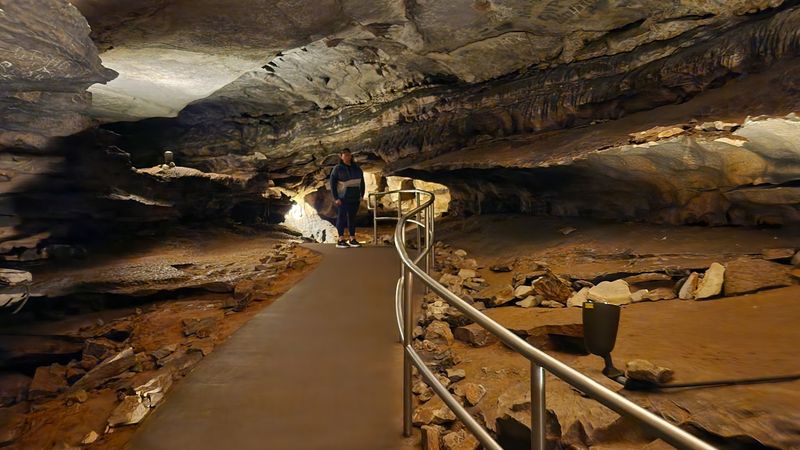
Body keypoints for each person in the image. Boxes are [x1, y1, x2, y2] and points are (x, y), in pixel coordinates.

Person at [329, 148, 365, 248]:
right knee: (342, 217)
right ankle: (340, 239)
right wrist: (336, 198)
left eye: (349, 155)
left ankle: (352, 238)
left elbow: (362, 182)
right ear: (341, 156)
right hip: (343, 198)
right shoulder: (337, 169)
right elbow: (332, 184)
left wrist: (362, 195)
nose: (347, 157)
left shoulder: (357, 168)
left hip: (354, 197)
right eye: (345, 155)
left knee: (352, 218)